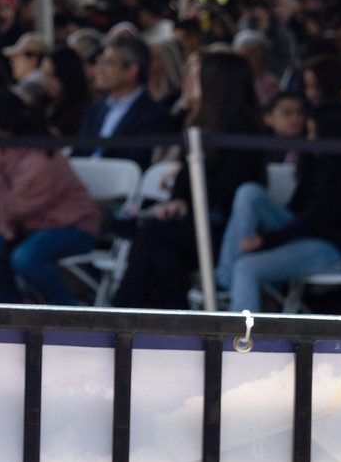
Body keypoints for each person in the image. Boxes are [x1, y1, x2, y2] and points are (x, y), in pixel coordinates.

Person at [112, 50, 267, 309]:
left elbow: (226, 193)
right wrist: (180, 200)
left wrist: (186, 201)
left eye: (199, 77)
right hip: (198, 223)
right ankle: (179, 323)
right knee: (163, 256)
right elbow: (188, 182)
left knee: (152, 234)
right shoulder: (200, 124)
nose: (190, 83)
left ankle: (123, 311)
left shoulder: (242, 132)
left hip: (228, 232)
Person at [217, 100, 341, 311]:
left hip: (329, 249)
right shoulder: (314, 164)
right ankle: (226, 282)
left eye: (315, 133)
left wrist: (266, 240)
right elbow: (298, 212)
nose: (310, 139)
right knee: (249, 192)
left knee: (246, 268)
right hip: (301, 237)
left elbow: (313, 220)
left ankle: (240, 340)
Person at [0, 91, 98, 305]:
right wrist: (4, 224)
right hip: (29, 226)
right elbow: (5, 206)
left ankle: (67, 310)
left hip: (73, 226)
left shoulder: (39, 160)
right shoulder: (0, 148)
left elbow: (13, 207)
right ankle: (11, 309)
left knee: (25, 258)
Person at [78, 36, 173, 165]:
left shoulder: (154, 115)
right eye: (99, 62)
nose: (99, 69)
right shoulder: (95, 108)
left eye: (108, 63)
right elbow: (78, 152)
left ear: (131, 70)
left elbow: (136, 161)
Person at [39, 46, 91, 138]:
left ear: (67, 75)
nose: (47, 81)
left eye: (53, 75)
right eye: (45, 75)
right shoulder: (41, 103)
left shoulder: (83, 110)